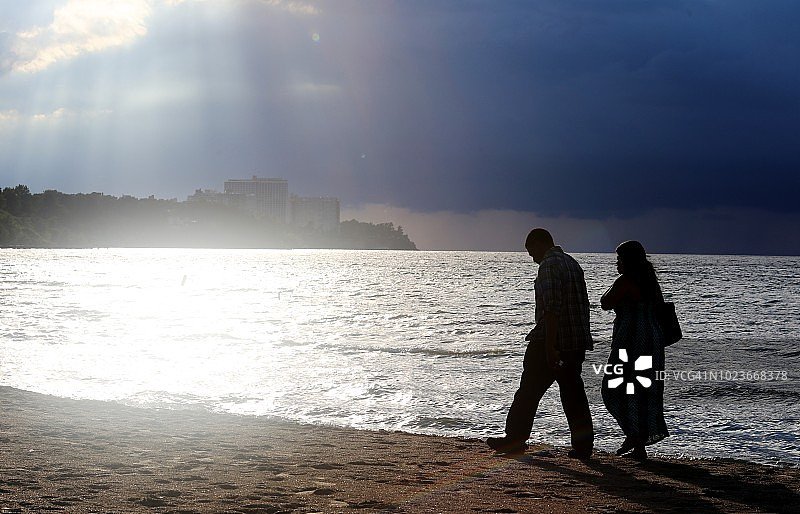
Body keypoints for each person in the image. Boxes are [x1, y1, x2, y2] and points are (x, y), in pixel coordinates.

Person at [486, 228, 594, 458]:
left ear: (539, 244)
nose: (531, 257)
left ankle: (515, 438)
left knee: (528, 391)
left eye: (530, 250)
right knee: (573, 394)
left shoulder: (548, 266)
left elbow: (552, 310)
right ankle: (583, 445)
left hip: (552, 340)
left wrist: (550, 347)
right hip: (575, 341)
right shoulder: (572, 264)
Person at [600, 240, 669, 460]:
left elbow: (605, 302)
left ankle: (634, 436)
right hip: (653, 339)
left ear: (627, 261)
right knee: (642, 391)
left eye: (619, 259)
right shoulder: (651, 282)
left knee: (612, 388)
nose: (616, 264)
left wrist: (615, 283)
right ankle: (638, 444)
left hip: (631, 340)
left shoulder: (626, 281)